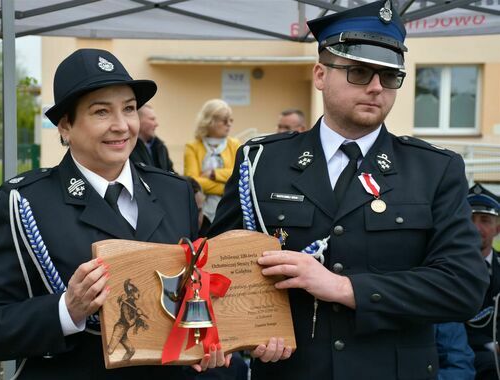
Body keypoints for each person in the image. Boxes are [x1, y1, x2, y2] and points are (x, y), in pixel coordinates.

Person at [208, 1, 489, 379]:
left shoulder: (434, 169)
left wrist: (344, 288)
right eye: (358, 72)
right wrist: (247, 329)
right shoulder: (261, 161)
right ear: (320, 74)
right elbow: (217, 269)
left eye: (389, 76)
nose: (376, 87)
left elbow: (463, 286)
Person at [0, 48, 228, 379]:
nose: (121, 126)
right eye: (101, 112)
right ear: (65, 126)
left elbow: (196, 293)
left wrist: (213, 341)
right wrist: (66, 310)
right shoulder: (25, 202)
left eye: (129, 109)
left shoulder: (175, 193)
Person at [184, 99, 241, 227]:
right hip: (200, 212)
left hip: (230, 209)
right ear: (209, 121)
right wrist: (227, 187)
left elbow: (239, 175)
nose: (229, 124)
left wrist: (213, 174)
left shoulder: (235, 145)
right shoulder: (192, 147)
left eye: (231, 120)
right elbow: (193, 183)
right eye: (224, 120)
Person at [465, 183, 500, 380]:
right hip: (461, 354)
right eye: (470, 219)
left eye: (485, 220)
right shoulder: (443, 269)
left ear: (498, 228)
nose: (476, 227)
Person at [130, 104, 175, 172]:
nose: (156, 124)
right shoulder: (129, 149)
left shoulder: (161, 147)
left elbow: (172, 174)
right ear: (138, 121)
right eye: (152, 119)